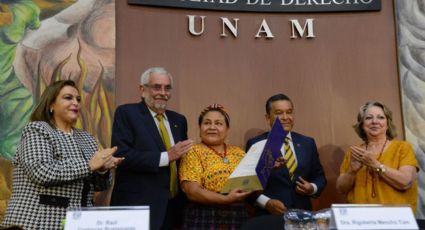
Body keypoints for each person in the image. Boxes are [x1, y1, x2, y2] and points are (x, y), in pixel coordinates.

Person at [0, 80, 123, 229]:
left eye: (78, 99)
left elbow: (99, 186)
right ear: (51, 105)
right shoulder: (37, 130)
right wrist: (89, 165)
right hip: (37, 222)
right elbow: (41, 172)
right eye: (68, 97)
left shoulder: (87, 138)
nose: (75, 103)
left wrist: (103, 170)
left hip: (77, 222)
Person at [110, 67, 193, 230]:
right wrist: (166, 157)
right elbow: (121, 155)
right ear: (142, 89)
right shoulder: (127, 113)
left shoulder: (179, 120)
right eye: (157, 87)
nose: (163, 92)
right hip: (138, 207)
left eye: (167, 88)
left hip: (173, 207)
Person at [245, 94, 327, 214]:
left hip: (302, 215)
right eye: (279, 113)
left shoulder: (307, 143)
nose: (285, 117)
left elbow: (319, 177)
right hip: (269, 216)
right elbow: (246, 184)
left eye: (289, 112)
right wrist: (266, 203)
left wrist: (312, 188)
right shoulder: (257, 144)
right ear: (268, 117)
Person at [336, 101, 419, 213]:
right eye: (369, 118)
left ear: (387, 124)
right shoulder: (354, 152)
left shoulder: (403, 148)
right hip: (360, 219)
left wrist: (376, 165)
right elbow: (341, 189)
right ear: (361, 124)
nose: (375, 122)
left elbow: (405, 182)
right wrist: (351, 171)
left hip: (395, 220)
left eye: (380, 117)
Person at [179, 104, 252, 229]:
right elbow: (193, 192)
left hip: (239, 216)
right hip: (204, 217)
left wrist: (267, 168)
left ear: (227, 129)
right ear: (199, 127)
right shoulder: (192, 152)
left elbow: (252, 184)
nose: (212, 127)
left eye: (218, 123)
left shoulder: (239, 153)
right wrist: (226, 199)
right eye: (207, 123)